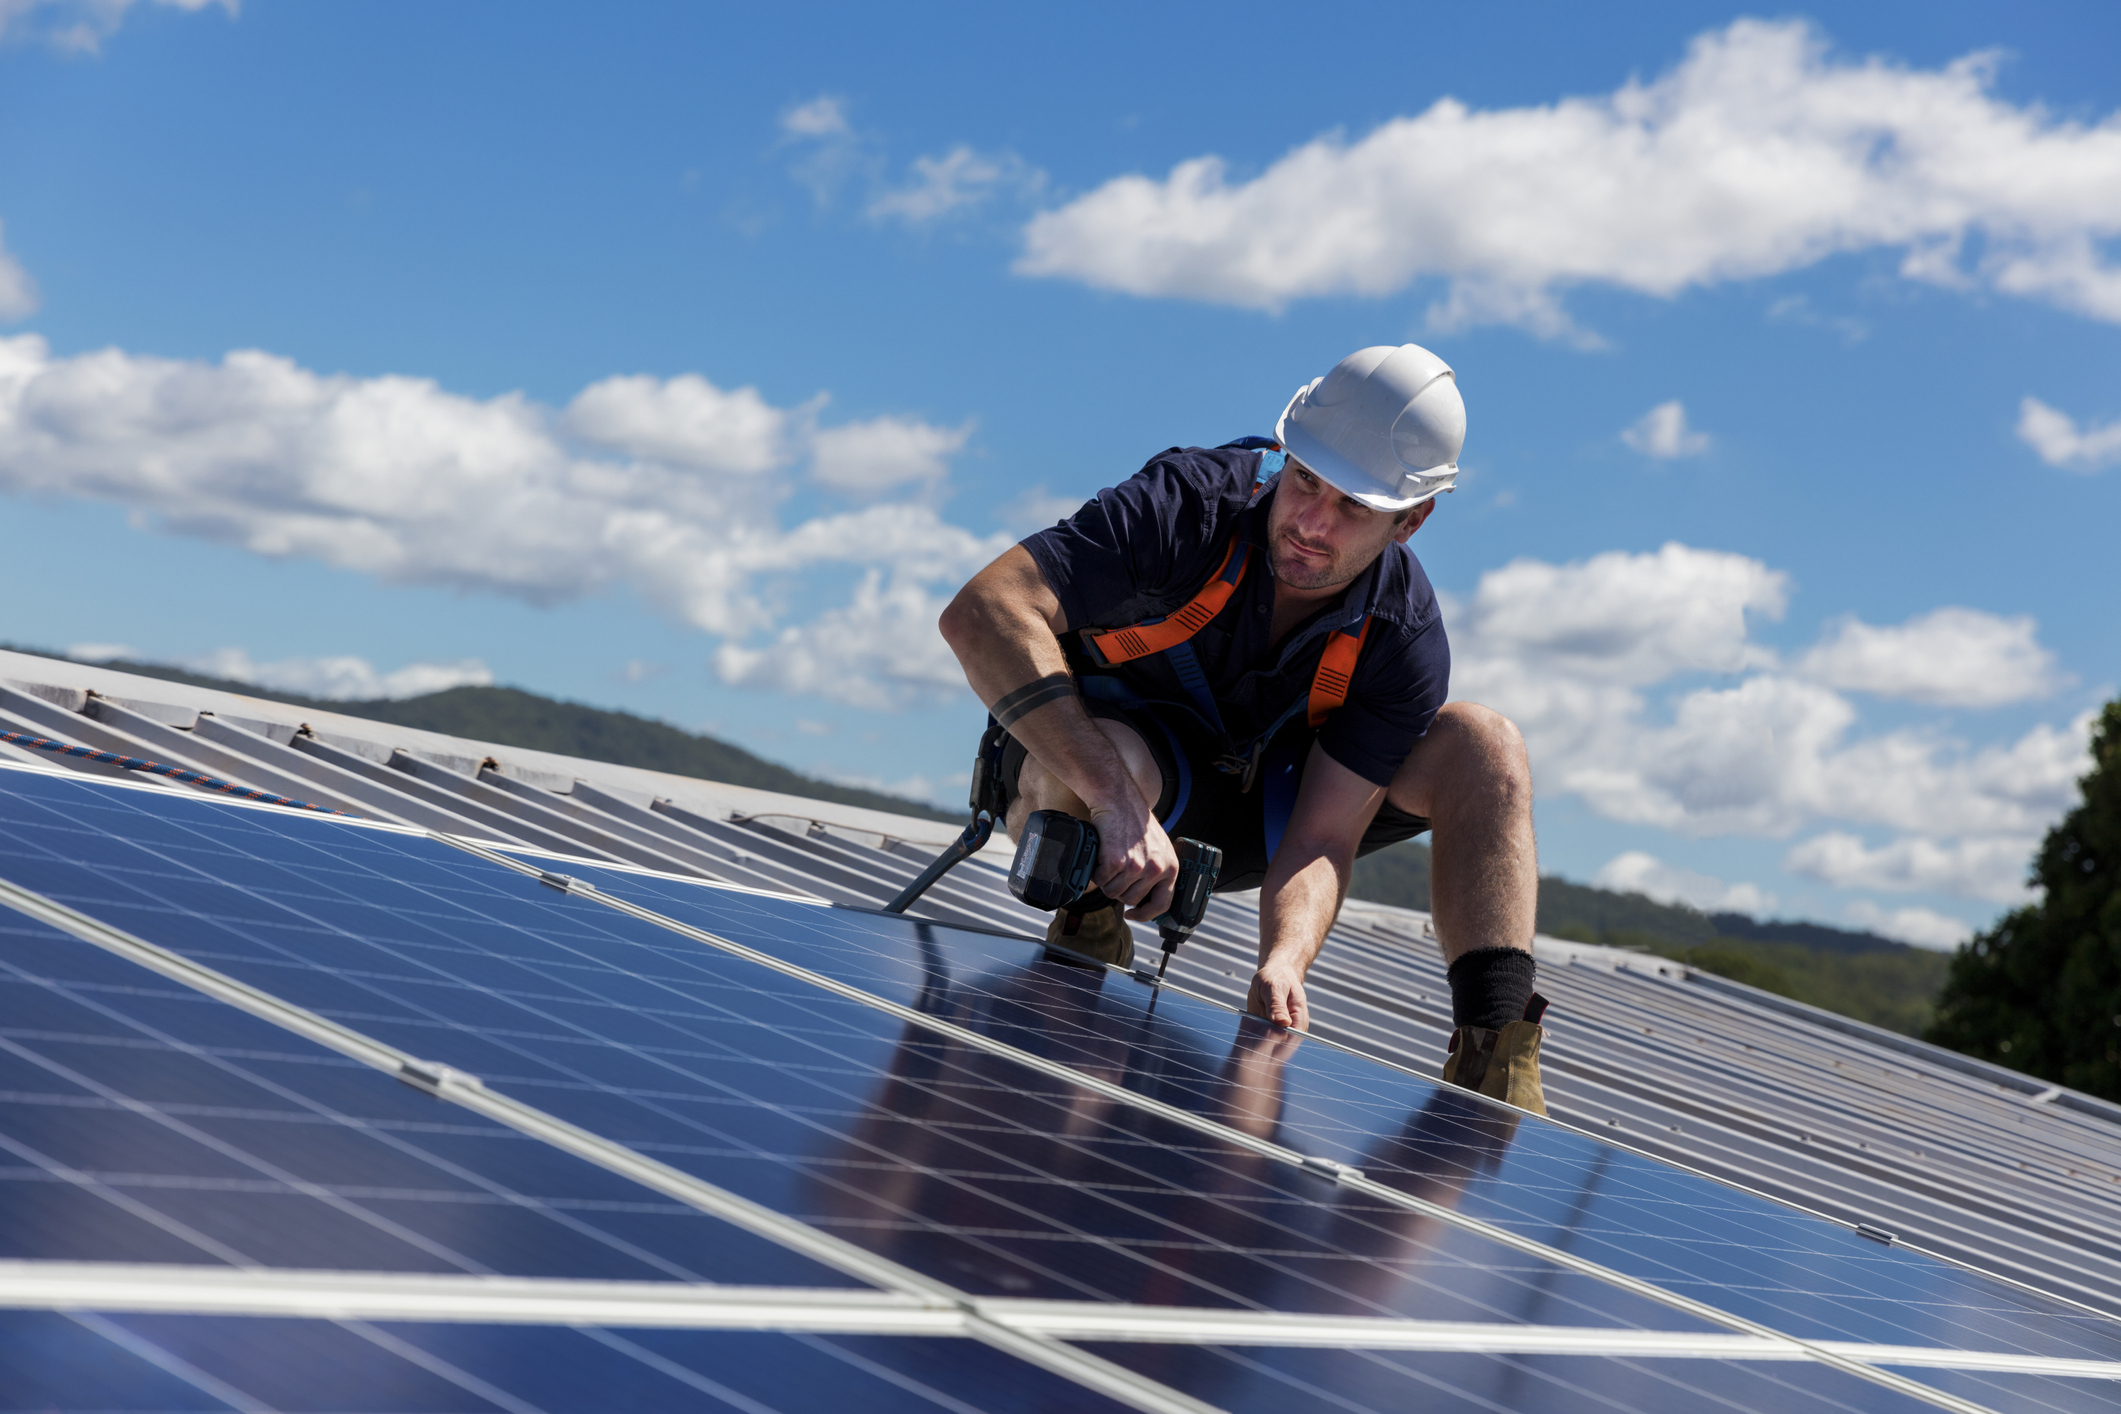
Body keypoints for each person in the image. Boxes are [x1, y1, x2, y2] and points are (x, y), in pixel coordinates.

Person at [937, 344, 1547, 1113]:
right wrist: (1116, 801)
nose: (1311, 524)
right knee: (1115, 762)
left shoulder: (1401, 635)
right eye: (1304, 483)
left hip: (1260, 816)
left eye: (1352, 508)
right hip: (1106, 783)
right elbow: (983, 610)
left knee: (1484, 745)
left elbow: (1323, 839)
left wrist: (1286, 961)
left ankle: (1495, 1068)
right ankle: (1089, 919)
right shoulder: (1186, 505)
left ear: (1411, 521)